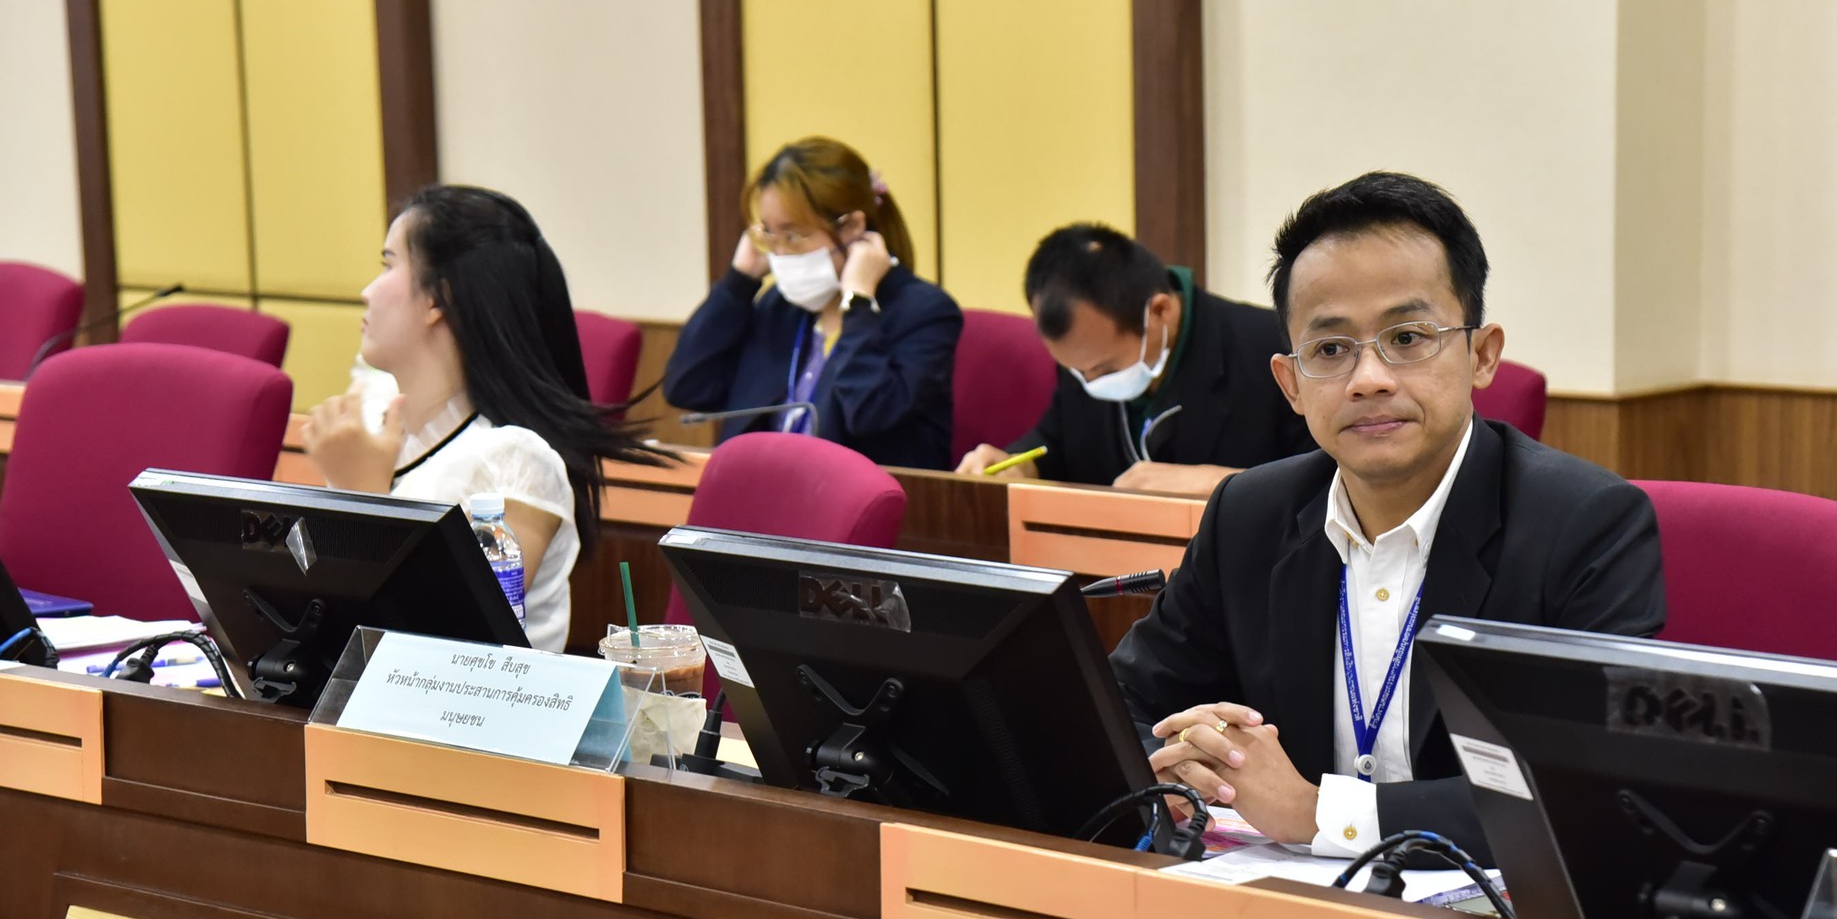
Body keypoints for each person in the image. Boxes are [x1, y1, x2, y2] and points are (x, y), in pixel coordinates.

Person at [1110, 172, 1665, 859]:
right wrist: (1175, 768)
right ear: (1290, 383)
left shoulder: (1585, 526)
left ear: (1482, 355)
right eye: (1330, 350)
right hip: (1278, 901)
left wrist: (1318, 813)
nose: (1369, 378)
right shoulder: (1248, 515)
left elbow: (1592, 787)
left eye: (1407, 337)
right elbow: (1123, 702)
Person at [301, 186, 663, 654]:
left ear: (439, 297)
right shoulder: (383, 440)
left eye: (388, 265)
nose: (367, 291)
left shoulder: (514, 461)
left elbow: (454, 653)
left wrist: (365, 499)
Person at [665, 137, 962, 469]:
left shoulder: (924, 312)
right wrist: (739, 283)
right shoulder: (782, 305)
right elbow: (688, 388)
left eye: (793, 236)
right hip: (761, 487)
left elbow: (869, 413)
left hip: (854, 495)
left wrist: (858, 301)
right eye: (769, 234)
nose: (779, 253)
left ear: (852, 227)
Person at [954, 225, 1311, 494]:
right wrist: (1016, 464)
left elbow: (1325, 479)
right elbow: (1056, 441)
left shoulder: (1269, 349)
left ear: (1159, 311)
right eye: (1076, 372)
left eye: (1105, 369)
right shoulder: (1084, 358)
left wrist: (1223, 483)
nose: (1091, 383)